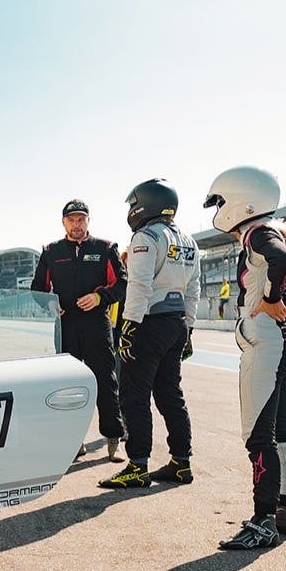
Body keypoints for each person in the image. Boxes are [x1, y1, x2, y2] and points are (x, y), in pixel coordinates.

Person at [205, 166, 286, 550]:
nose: (218, 208)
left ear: (241, 199)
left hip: (266, 345)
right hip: (279, 342)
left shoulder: (257, 232)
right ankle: (285, 512)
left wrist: (271, 299)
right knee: (279, 433)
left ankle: (263, 521)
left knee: (258, 436)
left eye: (220, 201)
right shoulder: (269, 230)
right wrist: (276, 297)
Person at [101, 179, 200, 489]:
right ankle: (181, 462)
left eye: (134, 204)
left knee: (134, 396)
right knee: (171, 394)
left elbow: (139, 285)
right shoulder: (189, 241)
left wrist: (129, 326)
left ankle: (137, 466)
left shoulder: (145, 236)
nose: (132, 210)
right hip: (177, 323)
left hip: (149, 323)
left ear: (146, 204)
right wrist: (189, 328)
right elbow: (194, 290)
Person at [32, 199, 128, 461]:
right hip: (65, 326)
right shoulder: (51, 251)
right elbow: (38, 289)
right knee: (68, 386)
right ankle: (74, 441)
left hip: (97, 324)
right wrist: (50, 305)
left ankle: (114, 439)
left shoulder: (106, 248)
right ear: (63, 222)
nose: (77, 224)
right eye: (72, 220)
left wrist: (99, 298)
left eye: (81, 219)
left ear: (88, 221)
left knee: (106, 381)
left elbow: (122, 284)